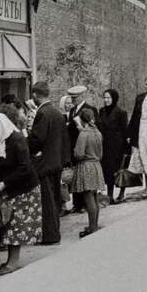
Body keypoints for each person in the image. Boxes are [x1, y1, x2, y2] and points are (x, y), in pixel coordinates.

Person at [0, 113, 41, 275]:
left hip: (23, 188)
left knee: (15, 225)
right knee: (7, 224)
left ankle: (13, 262)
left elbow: (25, 168)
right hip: (8, 188)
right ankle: (9, 260)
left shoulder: (16, 140)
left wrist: (4, 183)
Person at [28, 82, 67, 245]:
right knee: (54, 198)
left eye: (33, 95)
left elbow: (37, 139)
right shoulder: (57, 113)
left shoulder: (42, 113)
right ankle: (54, 231)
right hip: (56, 161)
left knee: (47, 200)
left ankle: (50, 235)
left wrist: (26, 143)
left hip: (44, 163)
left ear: (36, 95)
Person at [71, 108, 106, 238]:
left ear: (81, 120)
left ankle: (92, 228)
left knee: (88, 197)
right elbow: (101, 154)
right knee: (95, 196)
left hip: (86, 166)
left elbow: (78, 154)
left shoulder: (83, 134)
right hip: (96, 165)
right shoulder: (97, 132)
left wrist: (77, 152)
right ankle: (94, 225)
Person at [67, 85, 101, 213]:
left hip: (86, 150)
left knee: (86, 179)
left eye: (75, 97)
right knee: (77, 176)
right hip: (75, 147)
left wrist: (79, 127)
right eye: (71, 97)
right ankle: (77, 203)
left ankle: (86, 205)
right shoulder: (72, 110)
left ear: (82, 96)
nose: (72, 100)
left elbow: (94, 129)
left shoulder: (90, 109)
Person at [99, 89, 129, 204]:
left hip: (117, 146)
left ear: (114, 98)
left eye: (108, 98)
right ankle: (109, 196)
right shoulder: (101, 111)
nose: (106, 100)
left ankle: (121, 194)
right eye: (104, 97)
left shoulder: (121, 112)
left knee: (119, 170)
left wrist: (126, 148)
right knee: (107, 171)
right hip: (104, 145)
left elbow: (125, 131)